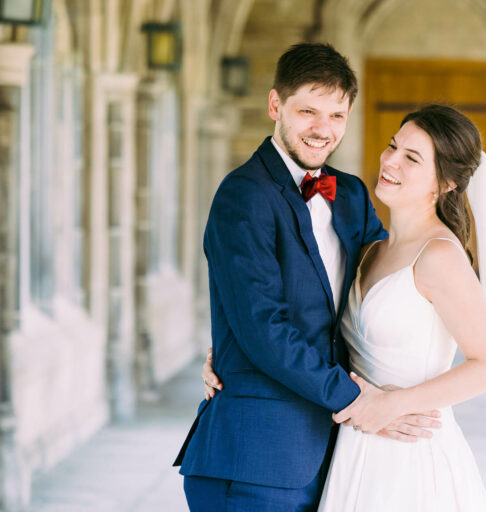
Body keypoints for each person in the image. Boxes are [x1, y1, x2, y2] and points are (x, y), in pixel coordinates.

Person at [204, 104, 486, 511]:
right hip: (352, 448)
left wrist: (394, 406)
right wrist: (229, 355)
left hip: (408, 453)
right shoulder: (371, 246)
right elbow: (305, 316)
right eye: (393, 145)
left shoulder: (441, 255)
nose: (390, 162)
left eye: (412, 158)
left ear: (445, 183)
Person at [172, 43, 441, 512]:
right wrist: (364, 402)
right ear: (275, 105)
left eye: (337, 115)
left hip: (336, 457)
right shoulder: (243, 196)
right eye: (308, 111)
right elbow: (264, 330)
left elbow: (386, 290)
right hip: (254, 461)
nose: (323, 129)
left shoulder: (353, 195)